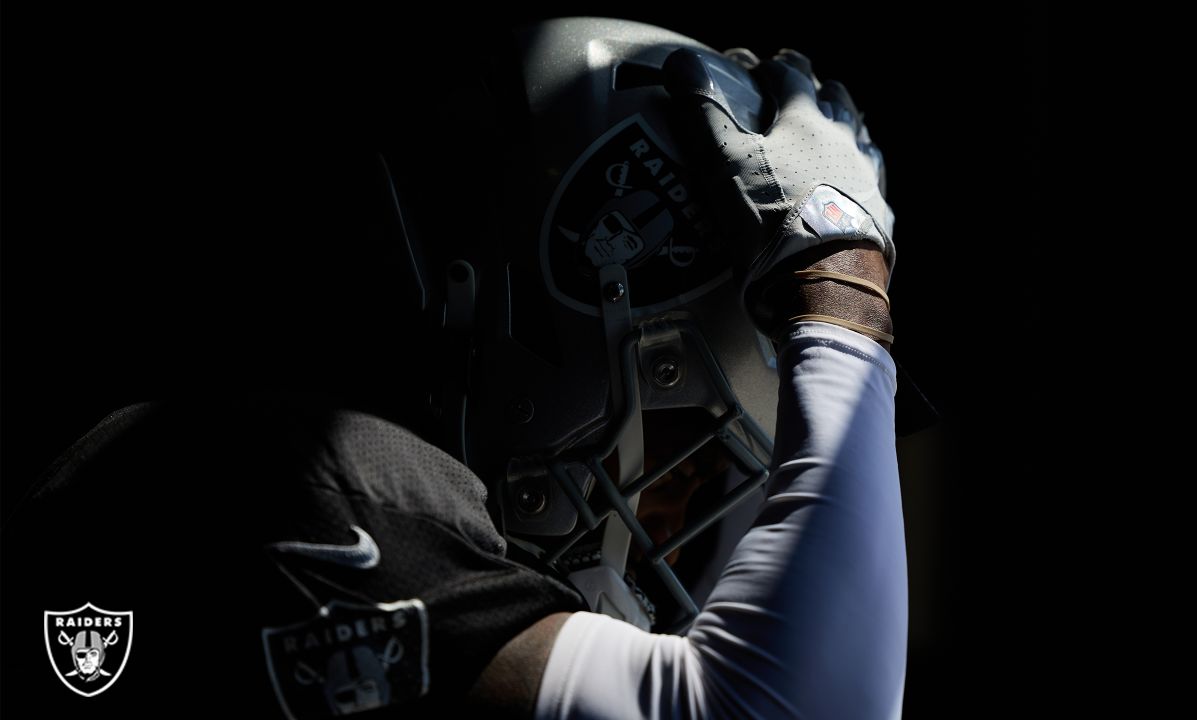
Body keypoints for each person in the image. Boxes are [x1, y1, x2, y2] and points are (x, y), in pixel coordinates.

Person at [2, 17, 906, 719]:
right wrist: (841, 296)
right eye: (689, 451)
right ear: (534, 348)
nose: (695, 519)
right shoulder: (300, 493)